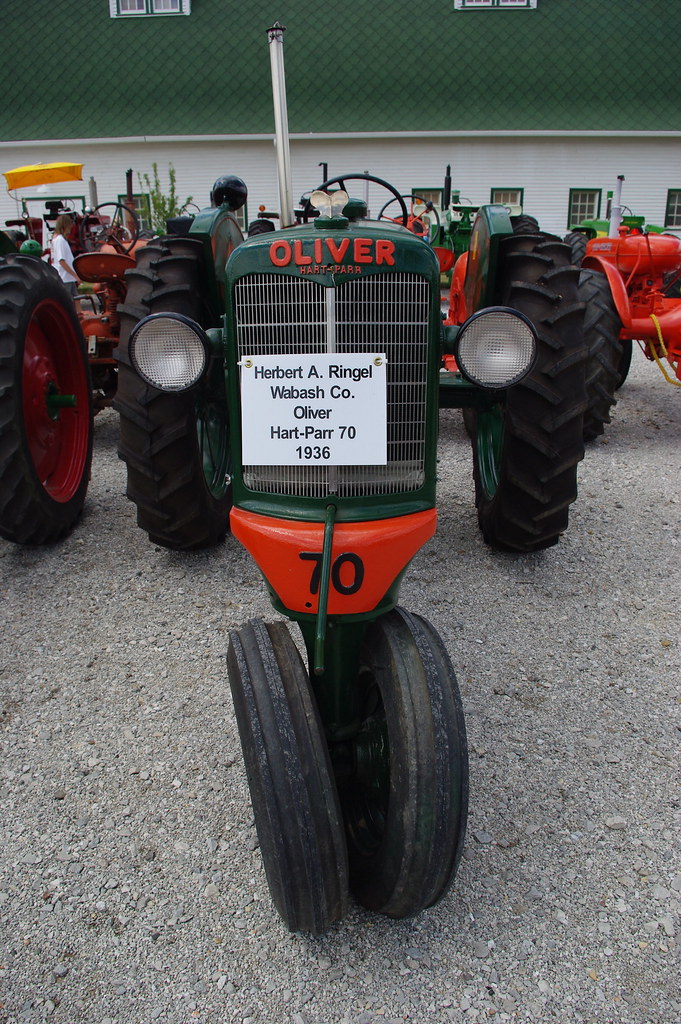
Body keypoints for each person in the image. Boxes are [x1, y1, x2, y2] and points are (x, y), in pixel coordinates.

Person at [50, 215, 80, 296]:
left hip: (68, 277)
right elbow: (61, 261)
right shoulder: (60, 240)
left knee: (76, 298)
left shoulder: (59, 239)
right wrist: (75, 275)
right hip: (64, 277)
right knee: (69, 301)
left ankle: (78, 309)